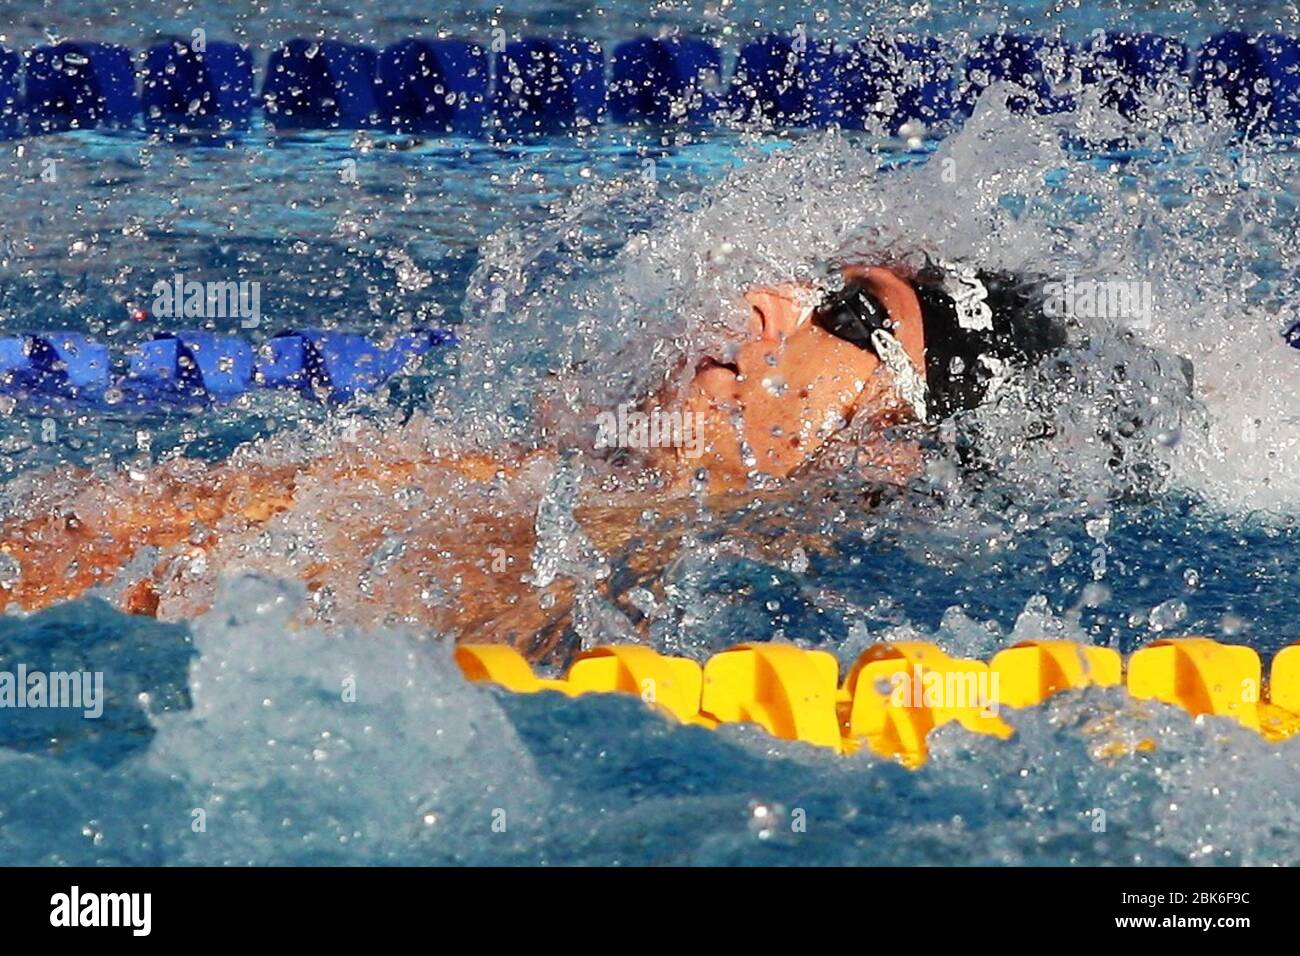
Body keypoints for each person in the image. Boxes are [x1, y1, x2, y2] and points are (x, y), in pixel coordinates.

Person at [0, 258, 1068, 661]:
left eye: (841, 313)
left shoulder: (622, 564)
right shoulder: (530, 479)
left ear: (886, 444)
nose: (761, 301)